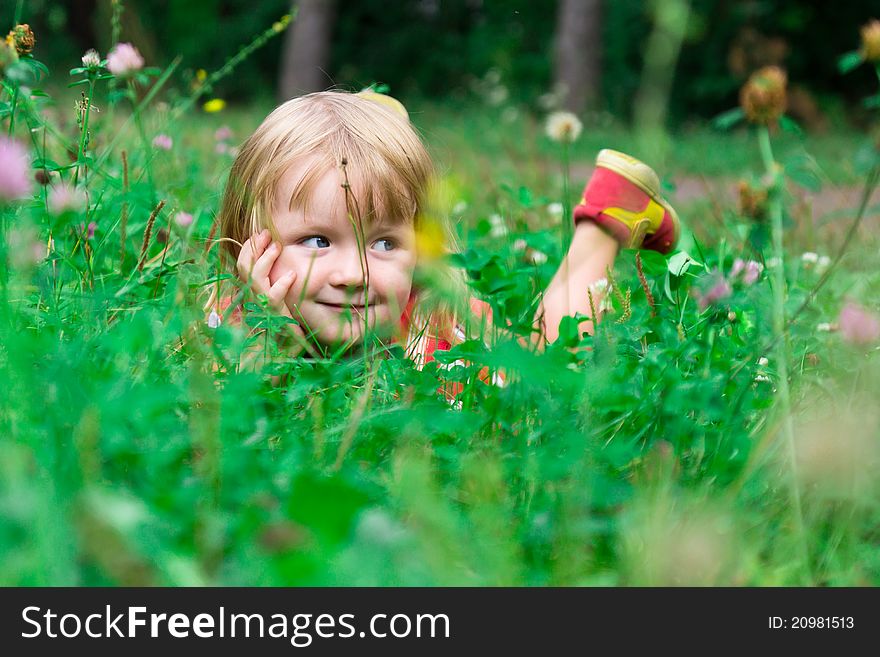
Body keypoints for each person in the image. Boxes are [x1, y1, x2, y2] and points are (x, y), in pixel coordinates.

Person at [208, 90, 679, 375]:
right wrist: (271, 336)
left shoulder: (437, 332)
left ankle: (608, 215)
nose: (353, 275)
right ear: (253, 239)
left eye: (385, 243)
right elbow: (224, 422)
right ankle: (379, 131)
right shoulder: (231, 324)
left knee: (551, 363)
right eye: (317, 241)